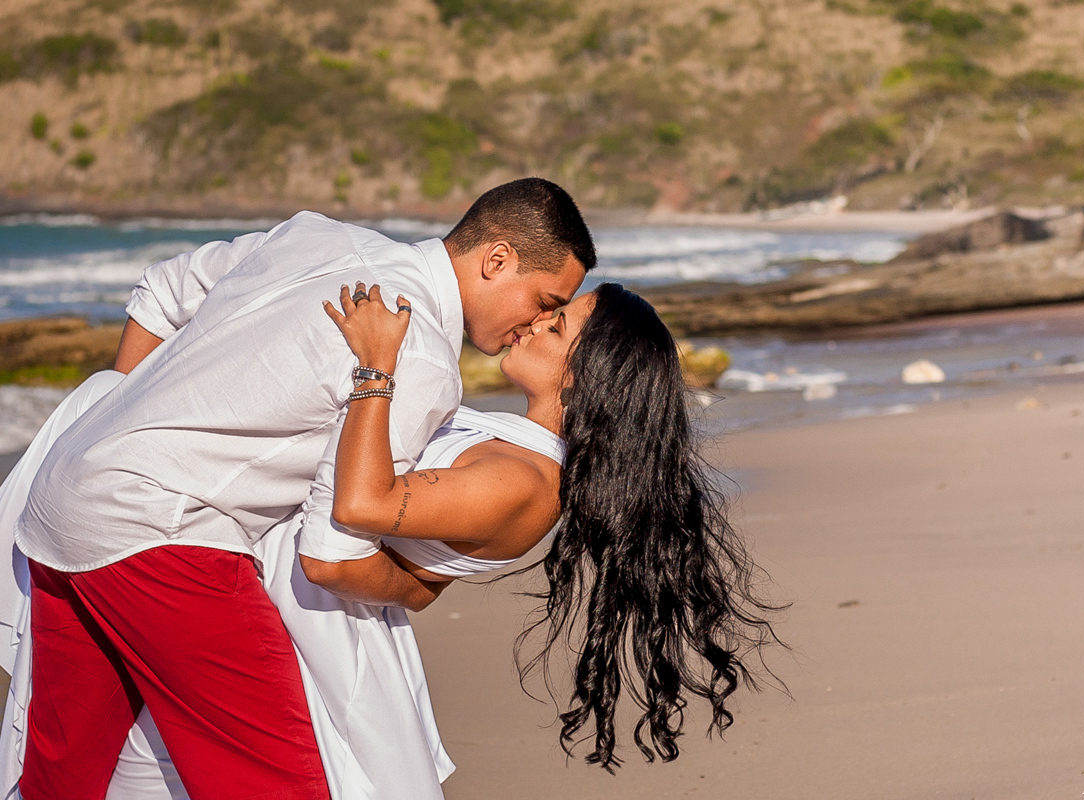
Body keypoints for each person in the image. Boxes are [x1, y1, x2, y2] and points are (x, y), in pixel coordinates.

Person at [0, 281, 780, 799]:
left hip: (302, 638)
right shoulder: (508, 446)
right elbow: (406, 557)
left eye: (559, 323)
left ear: (586, 372)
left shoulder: (526, 480)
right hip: (230, 588)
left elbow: (360, 510)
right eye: (547, 308)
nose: (535, 323)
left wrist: (374, 371)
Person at [12, 177, 596, 800]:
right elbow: (330, 551)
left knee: (64, 777)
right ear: (497, 258)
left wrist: (125, 425)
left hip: (61, 498)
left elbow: (160, 287)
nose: (538, 321)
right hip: (163, 533)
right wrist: (417, 587)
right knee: (280, 786)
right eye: (544, 298)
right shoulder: (418, 356)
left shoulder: (319, 235)